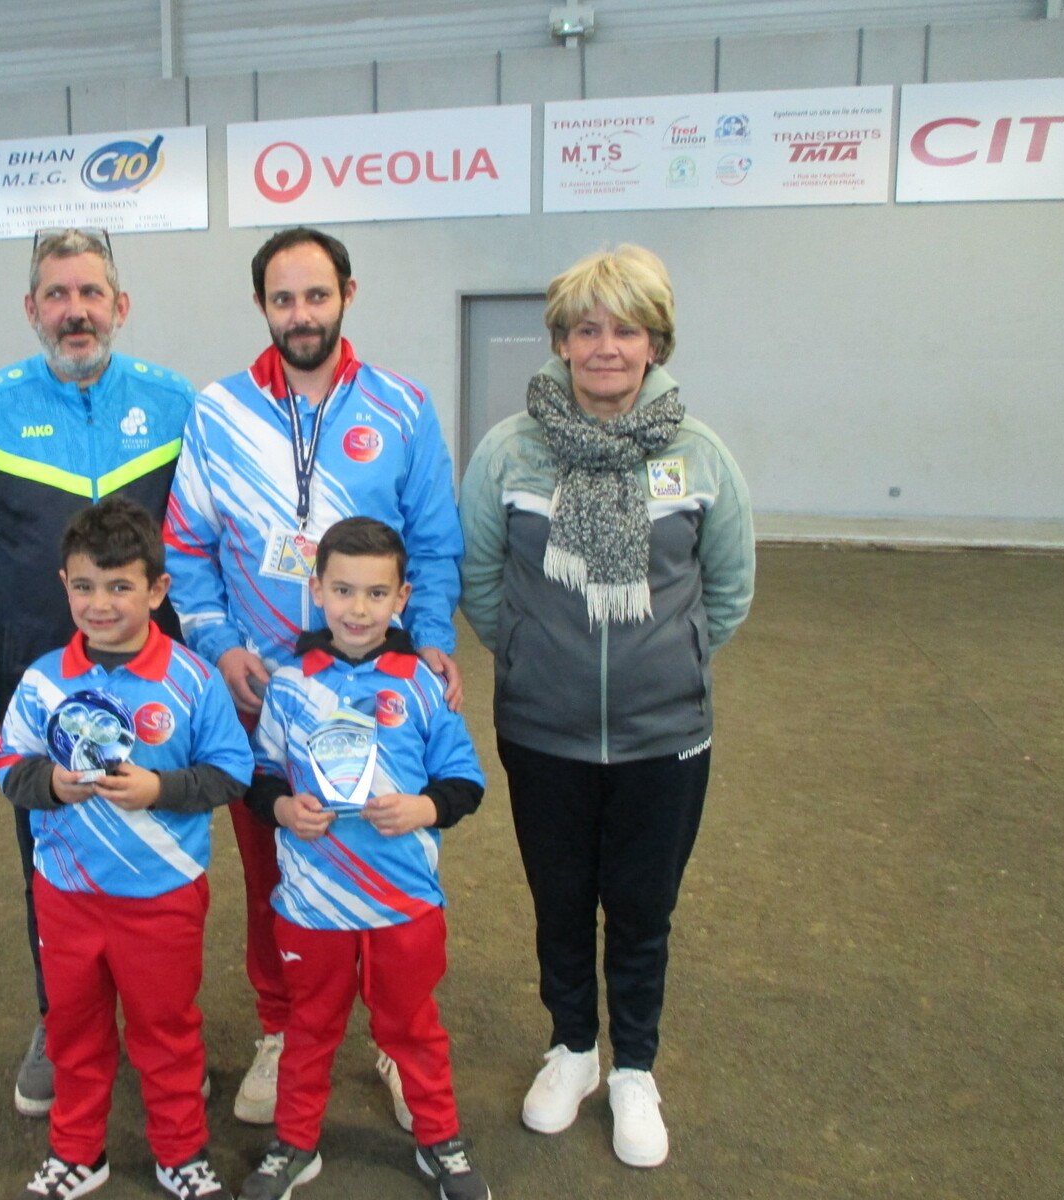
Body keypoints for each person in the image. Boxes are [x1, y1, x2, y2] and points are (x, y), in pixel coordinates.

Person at [457, 244, 755, 1169]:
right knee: (559, 900)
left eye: (626, 330)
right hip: (542, 729)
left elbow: (727, 590)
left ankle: (634, 1068)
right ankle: (573, 1049)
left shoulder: (699, 454)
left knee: (641, 908)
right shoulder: (510, 451)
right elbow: (479, 580)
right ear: (560, 341)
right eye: (586, 330)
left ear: (655, 342)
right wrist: (531, 654)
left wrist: (667, 659)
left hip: (665, 734)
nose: (606, 348)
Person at [164, 227, 465, 1126]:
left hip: (381, 691)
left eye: (317, 296)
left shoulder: (403, 406)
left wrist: (431, 641)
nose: (301, 315)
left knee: (389, 854)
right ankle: (281, 1027)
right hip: (265, 695)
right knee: (277, 866)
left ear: (348, 295)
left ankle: (397, 1035)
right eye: (283, 299)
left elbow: (435, 543)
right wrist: (221, 647)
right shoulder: (218, 412)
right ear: (262, 305)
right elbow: (186, 549)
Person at [0, 227, 194, 1117]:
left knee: (163, 857)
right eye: (57, 294)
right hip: (35, 695)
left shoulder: (174, 404)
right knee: (52, 865)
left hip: (160, 690)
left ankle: (162, 1029)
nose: (75, 311)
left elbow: (208, 543)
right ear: (31, 309)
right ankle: (62, 1021)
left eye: (90, 293)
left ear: (121, 305)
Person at [0, 497, 250, 1200]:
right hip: (67, 894)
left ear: (158, 589)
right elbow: (9, 766)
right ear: (63, 585)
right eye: (83, 586)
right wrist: (51, 783)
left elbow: (232, 772)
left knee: (166, 1032)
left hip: (162, 895)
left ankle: (180, 1153)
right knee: (73, 1030)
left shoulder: (192, 679)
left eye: (119, 586)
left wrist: (160, 788)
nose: (100, 604)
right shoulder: (44, 680)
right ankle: (78, 1152)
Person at [239, 517, 489, 1200]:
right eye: (343, 590)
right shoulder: (289, 685)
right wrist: (283, 809)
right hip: (312, 907)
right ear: (317, 590)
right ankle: (295, 1144)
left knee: (413, 1029)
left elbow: (465, 782)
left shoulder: (423, 684)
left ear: (402, 597)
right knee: (308, 1030)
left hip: (403, 905)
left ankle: (439, 1140)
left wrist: (422, 808)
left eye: (377, 594)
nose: (358, 609)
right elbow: (259, 778)